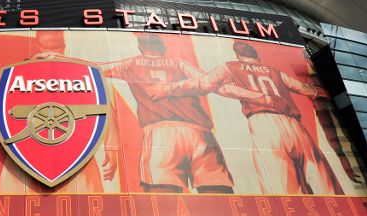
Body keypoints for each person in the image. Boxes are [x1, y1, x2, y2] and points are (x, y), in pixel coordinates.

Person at [147, 41, 344, 195]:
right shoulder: (274, 71)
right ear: (256, 55)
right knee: (322, 178)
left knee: (282, 183)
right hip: (294, 123)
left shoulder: (231, 67)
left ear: (238, 55)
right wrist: (323, 91)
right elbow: (304, 89)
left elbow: (202, 84)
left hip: (264, 122)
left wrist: (167, 89)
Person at [104, 33, 268, 194]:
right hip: (200, 133)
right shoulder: (178, 63)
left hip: (161, 134)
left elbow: (94, 69)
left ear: (140, 48)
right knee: (218, 193)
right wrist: (262, 98)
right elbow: (215, 85)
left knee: (163, 200)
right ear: (164, 48)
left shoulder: (128, 64)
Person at [0, 30, 119, 193]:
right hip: (75, 154)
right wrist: (111, 148)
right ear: (64, 46)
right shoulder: (86, 72)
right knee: (81, 209)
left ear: (38, 46)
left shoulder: (12, 73)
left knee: (16, 210)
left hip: (22, 156)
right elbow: (105, 108)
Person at [301, 50, 361, 183]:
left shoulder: (315, 75)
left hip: (336, 111)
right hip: (328, 113)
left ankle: (349, 168)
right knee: (339, 137)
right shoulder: (310, 77)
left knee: (345, 136)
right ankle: (348, 168)